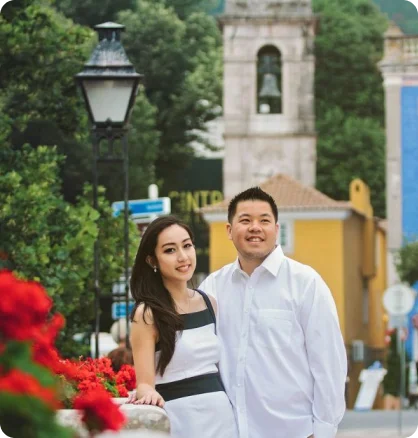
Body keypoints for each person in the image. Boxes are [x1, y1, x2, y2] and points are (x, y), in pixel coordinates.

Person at [199, 187, 347, 438]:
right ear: (229, 230)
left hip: (294, 432)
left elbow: (329, 363)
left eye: (264, 220)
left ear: (276, 229)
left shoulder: (305, 283)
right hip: (229, 431)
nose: (255, 227)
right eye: (245, 220)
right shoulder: (212, 287)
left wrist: (323, 430)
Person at [128, 215, 238, 438]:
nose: (183, 257)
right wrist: (147, 393)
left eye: (187, 246)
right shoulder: (147, 314)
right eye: (170, 250)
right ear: (152, 260)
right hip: (179, 421)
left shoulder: (209, 303)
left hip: (222, 419)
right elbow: (145, 384)